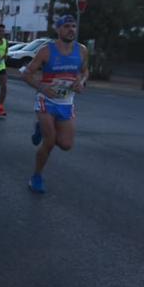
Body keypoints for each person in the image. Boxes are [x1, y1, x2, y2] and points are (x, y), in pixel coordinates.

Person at [22, 15, 89, 193]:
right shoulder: (46, 51)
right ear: (58, 30)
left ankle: (40, 128)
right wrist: (41, 87)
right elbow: (26, 74)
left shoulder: (82, 50)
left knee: (66, 145)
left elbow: (84, 71)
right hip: (46, 101)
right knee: (49, 142)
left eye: (73, 26)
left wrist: (81, 82)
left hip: (66, 102)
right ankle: (36, 176)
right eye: (67, 26)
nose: (71, 30)